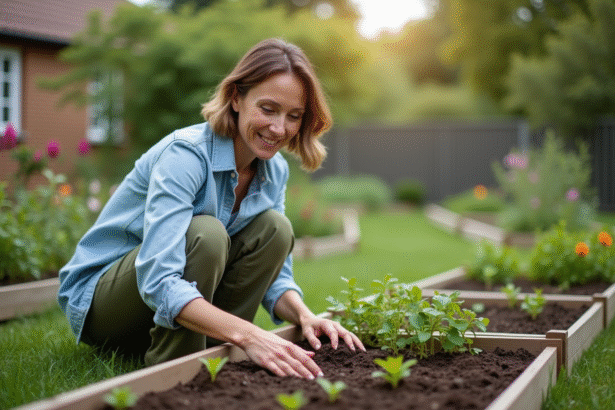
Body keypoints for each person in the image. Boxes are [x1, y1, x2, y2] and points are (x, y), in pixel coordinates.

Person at [57, 38, 364, 379]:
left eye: (293, 116)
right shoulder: (185, 156)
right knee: (207, 234)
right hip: (103, 306)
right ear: (236, 98)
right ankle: (175, 371)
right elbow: (158, 280)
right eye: (267, 109)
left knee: (276, 230)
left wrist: (306, 316)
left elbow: (276, 277)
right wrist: (252, 335)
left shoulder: (273, 169)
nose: (279, 129)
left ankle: (213, 359)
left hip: (162, 309)